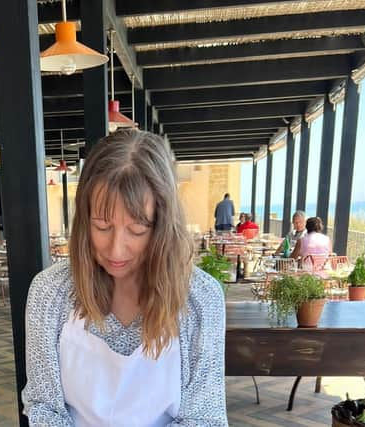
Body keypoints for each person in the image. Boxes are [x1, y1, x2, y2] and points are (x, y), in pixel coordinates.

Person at [22, 130, 227, 426]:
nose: (116, 249)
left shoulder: (199, 297)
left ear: (162, 225)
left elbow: (204, 417)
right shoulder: (50, 291)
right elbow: (44, 406)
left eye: (137, 230)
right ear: (84, 220)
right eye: (102, 227)